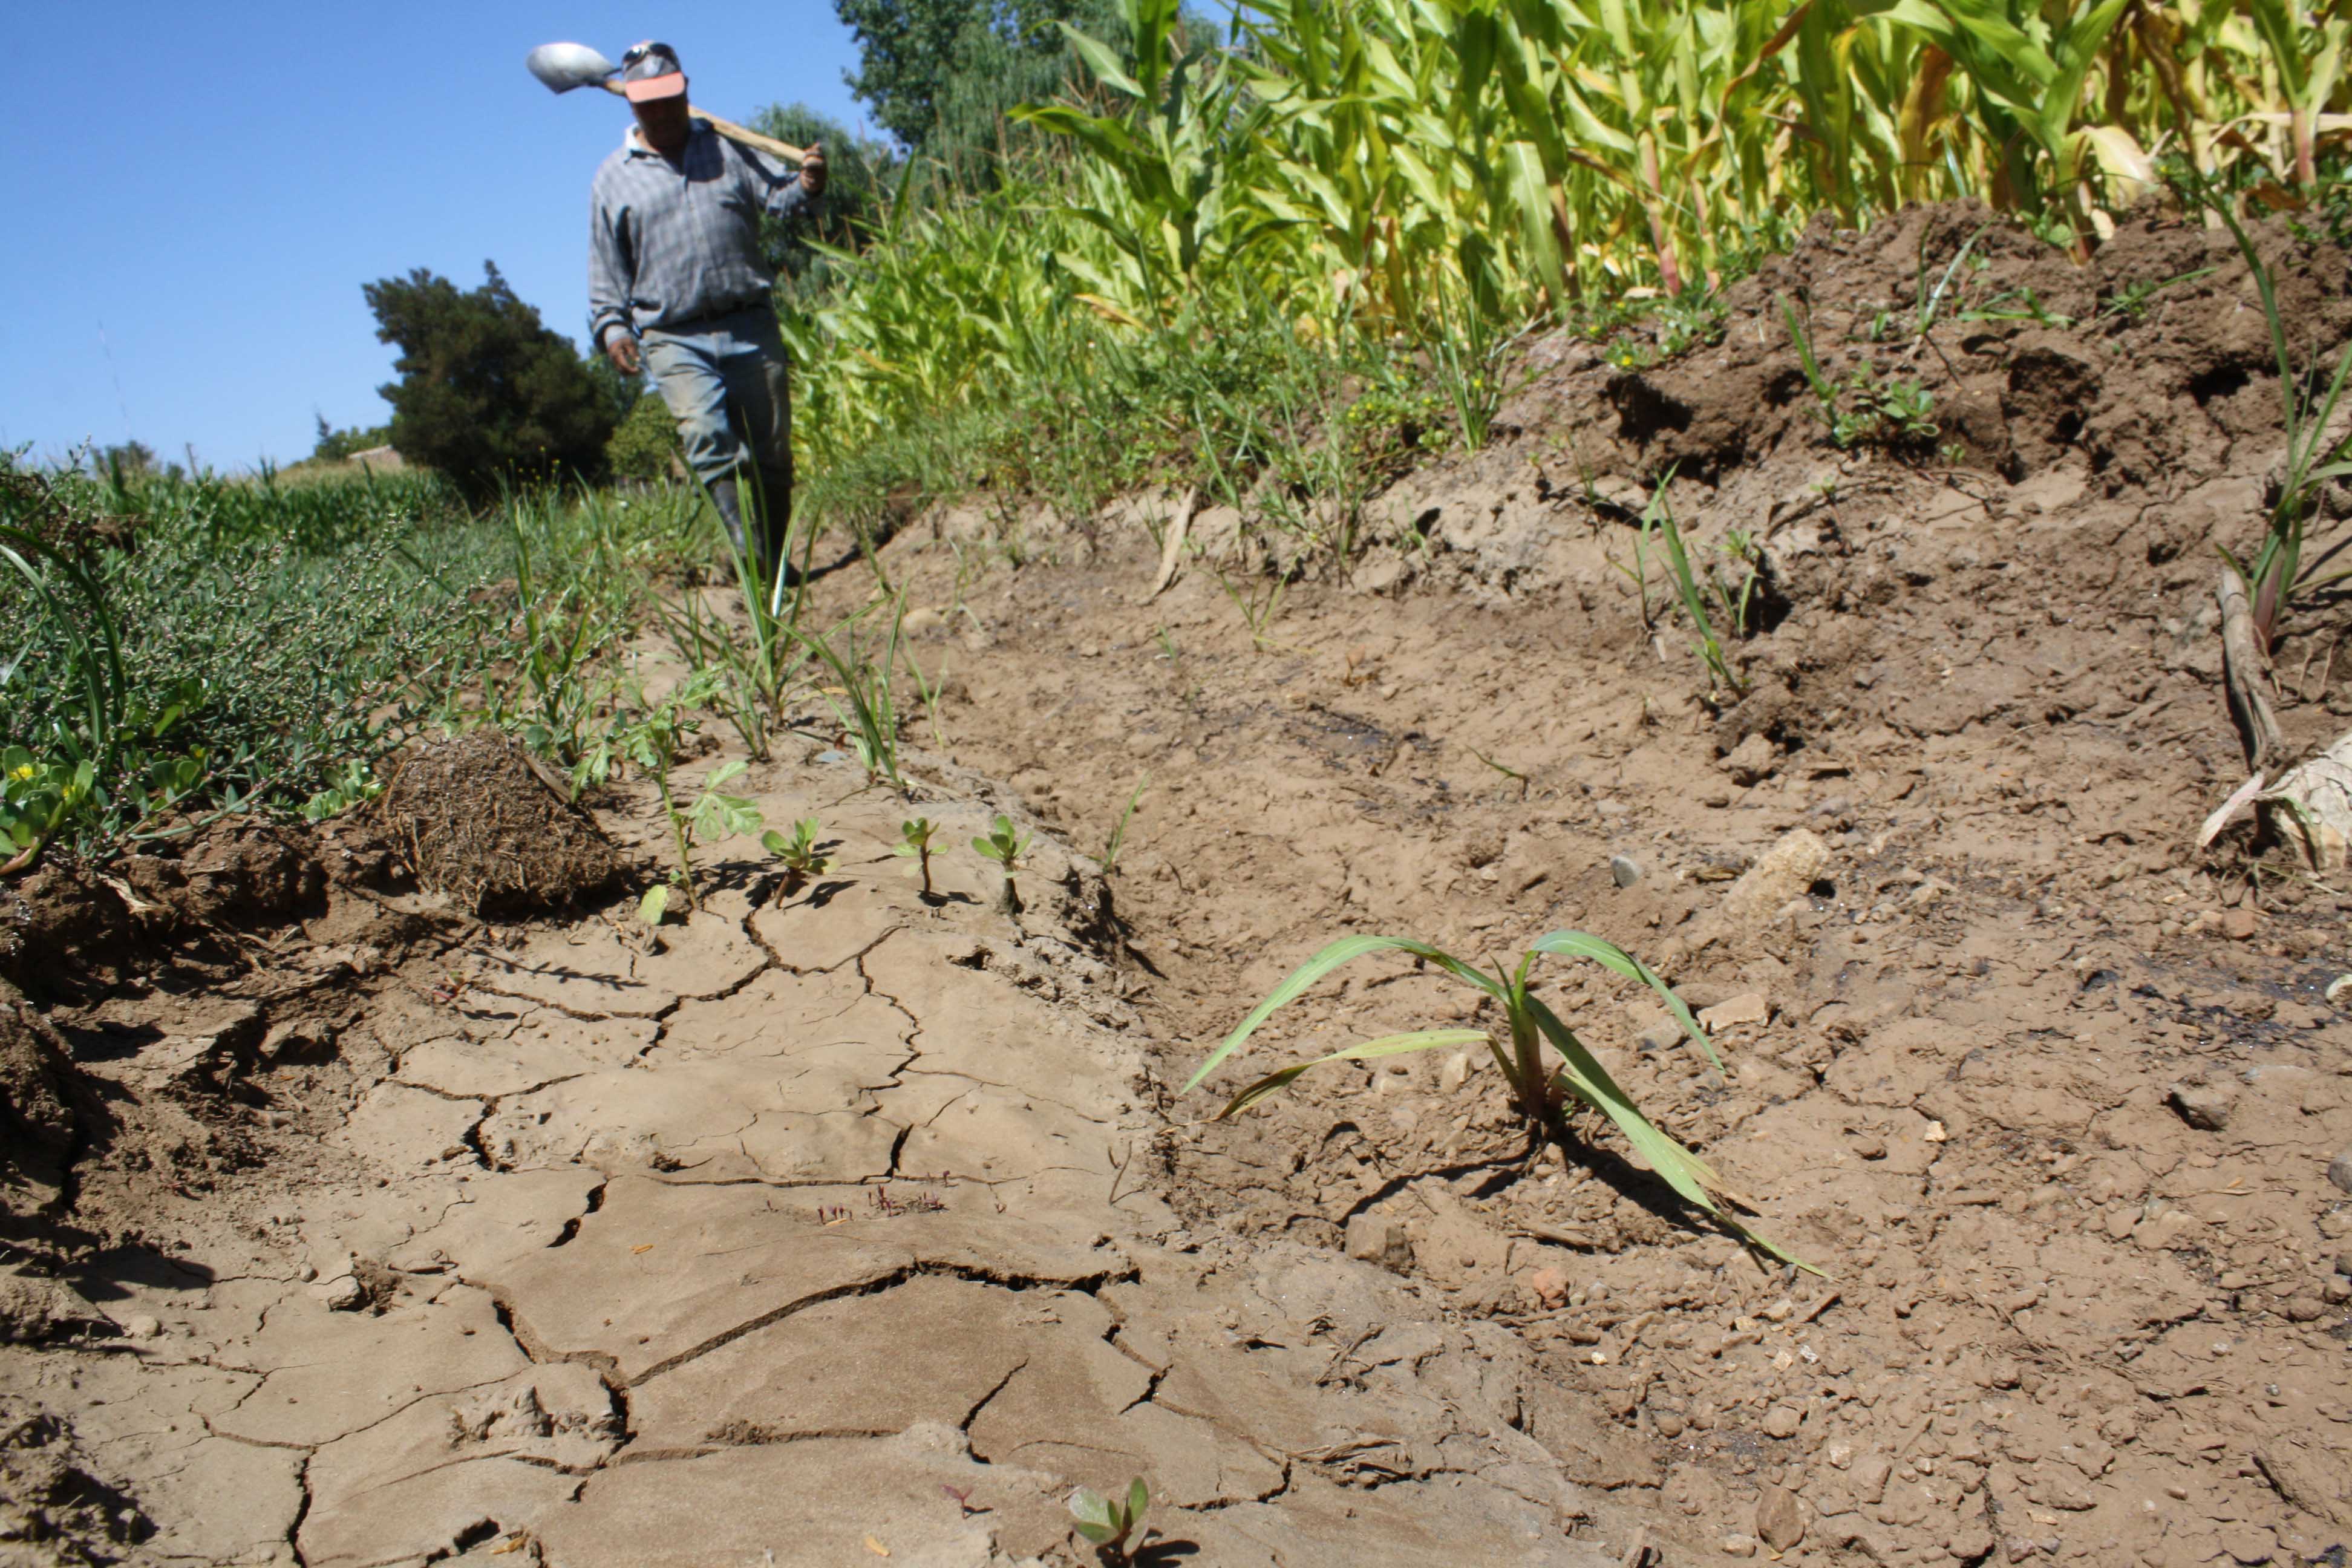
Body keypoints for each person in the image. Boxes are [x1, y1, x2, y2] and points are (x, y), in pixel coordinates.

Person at [587, 41, 826, 586]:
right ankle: (750, 558)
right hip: (673, 334)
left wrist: (809, 185)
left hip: (750, 321)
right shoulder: (614, 178)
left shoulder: (729, 150)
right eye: (649, 102)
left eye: (671, 98)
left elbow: (781, 199)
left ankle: (775, 559)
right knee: (707, 438)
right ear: (631, 105)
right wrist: (613, 326)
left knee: (771, 456)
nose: (662, 112)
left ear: (686, 91)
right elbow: (606, 264)